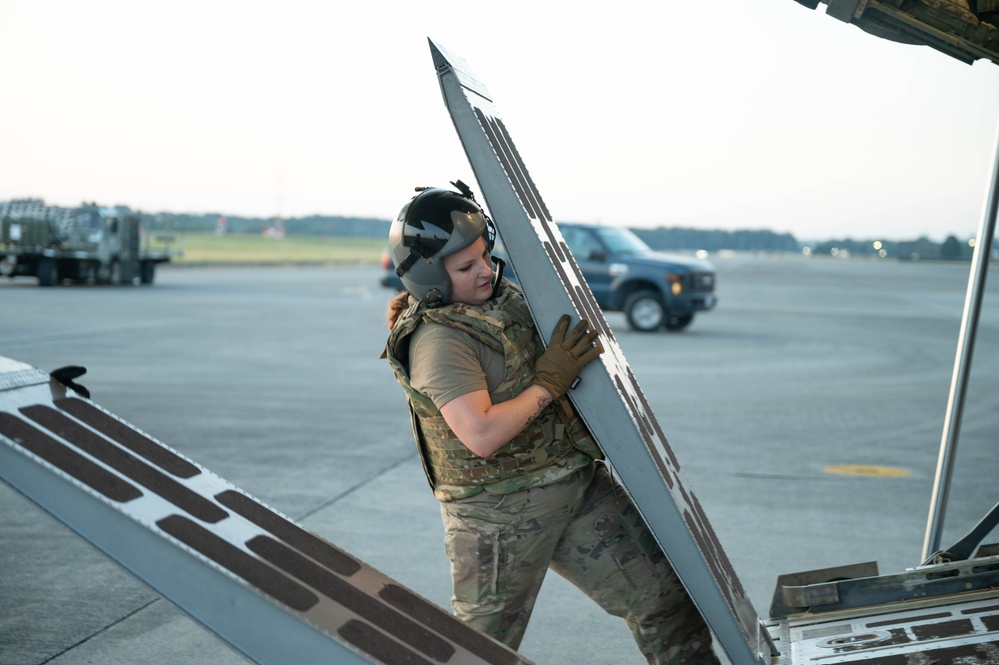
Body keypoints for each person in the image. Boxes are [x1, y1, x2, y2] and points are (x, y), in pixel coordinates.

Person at [382, 184, 720, 664]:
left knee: (665, 601)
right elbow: (480, 434)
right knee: (481, 652)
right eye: (465, 267)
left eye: (484, 256)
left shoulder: (501, 300)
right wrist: (547, 385)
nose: (484, 271)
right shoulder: (439, 342)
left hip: (574, 486)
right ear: (430, 277)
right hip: (498, 517)